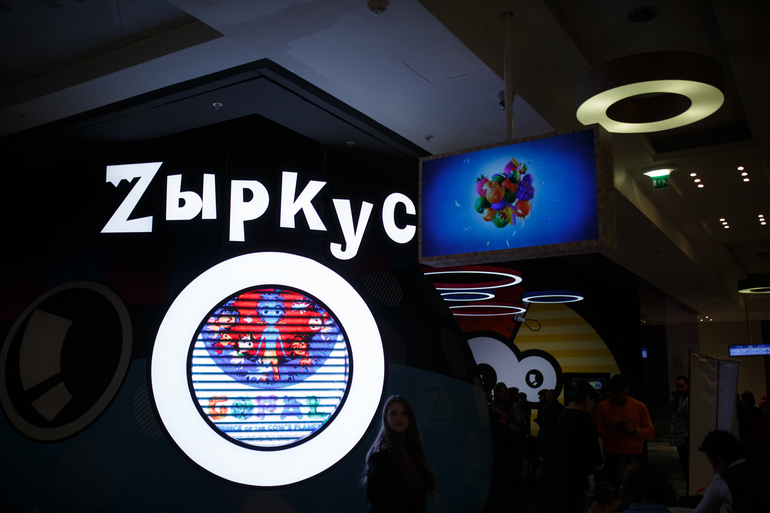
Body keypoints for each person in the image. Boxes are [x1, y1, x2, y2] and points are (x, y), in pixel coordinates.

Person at [363, 395, 436, 513]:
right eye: (393, 413)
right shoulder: (383, 453)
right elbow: (374, 495)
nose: (399, 418)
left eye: (404, 413)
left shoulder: (412, 448)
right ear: (386, 417)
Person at [540, 380, 604, 513]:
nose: (593, 405)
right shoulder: (587, 420)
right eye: (593, 401)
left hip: (548, 486)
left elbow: (542, 455)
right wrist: (600, 444)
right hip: (574, 488)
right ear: (587, 399)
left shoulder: (553, 416)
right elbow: (598, 464)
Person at [593, 374, 655, 487]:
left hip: (632, 454)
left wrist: (635, 430)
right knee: (615, 486)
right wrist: (611, 429)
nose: (620, 398)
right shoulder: (602, 407)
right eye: (617, 395)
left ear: (628, 390)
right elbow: (595, 433)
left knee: (633, 487)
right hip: (613, 454)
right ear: (611, 392)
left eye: (623, 394)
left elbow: (651, 433)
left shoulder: (639, 406)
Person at [691, 429, 770, 513]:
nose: (713, 468)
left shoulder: (722, 482)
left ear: (720, 461)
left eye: (710, 463)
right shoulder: (760, 464)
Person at [670, 375, 690, 483]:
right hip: (681, 440)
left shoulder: (688, 400)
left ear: (687, 385)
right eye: (677, 386)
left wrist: (685, 439)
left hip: (684, 440)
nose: (679, 389)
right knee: (685, 469)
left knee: (687, 469)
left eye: (681, 386)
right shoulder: (679, 399)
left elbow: (690, 422)